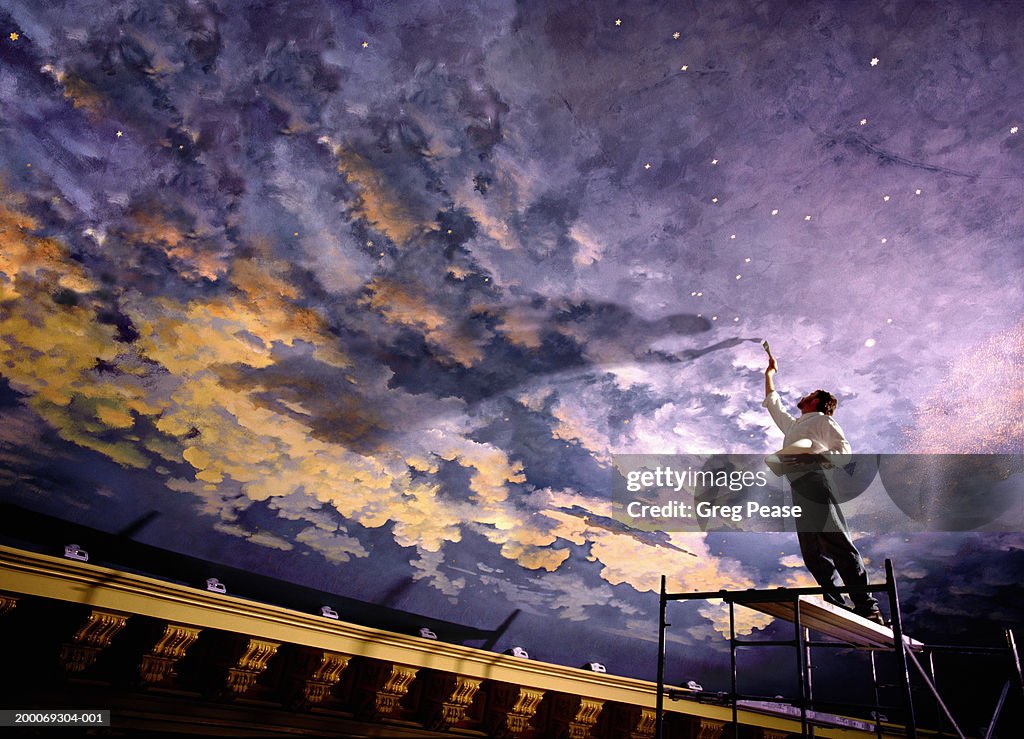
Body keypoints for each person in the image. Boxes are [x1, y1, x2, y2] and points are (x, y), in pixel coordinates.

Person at [763, 354, 884, 624]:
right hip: (800, 489)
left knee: (837, 543)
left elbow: (844, 452)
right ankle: (837, 605)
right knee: (812, 553)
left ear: (818, 401)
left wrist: (813, 458)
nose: (804, 396)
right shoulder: (795, 425)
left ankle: (867, 607)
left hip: (817, 482)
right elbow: (773, 405)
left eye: (810, 394)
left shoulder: (822, 421)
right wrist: (769, 374)